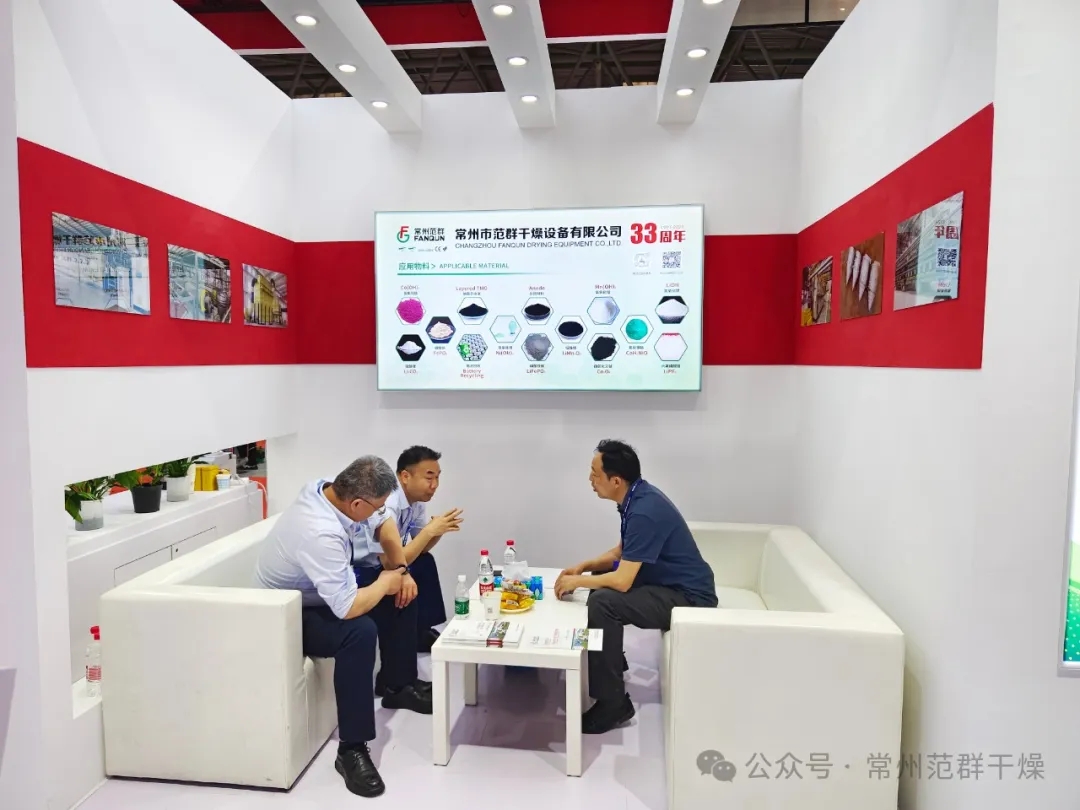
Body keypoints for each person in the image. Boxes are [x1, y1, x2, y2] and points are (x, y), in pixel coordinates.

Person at [254, 456, 432, 798]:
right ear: (357, 504)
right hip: (284, 614)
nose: (380, 512)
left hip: (317, 595)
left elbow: (384, 523)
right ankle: (352, 749)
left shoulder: (334, 488)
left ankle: (397, 685)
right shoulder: (319, 532)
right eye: (376, 506)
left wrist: (400, 571)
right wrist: (386, 581)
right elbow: (347, 607)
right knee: (359, 632)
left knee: (404, 587)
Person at [554, 439, 718, 735]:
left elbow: (622, 580)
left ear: (615, 480)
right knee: (598, 581)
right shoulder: (635, 498)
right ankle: (612, 665)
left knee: (603, 602)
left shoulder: (644, 511)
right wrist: (584, 566)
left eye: (595, 474)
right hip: (669, 583)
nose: (590, 479)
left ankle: (613, 704)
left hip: (690, 598)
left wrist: (577, 580)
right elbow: (620, 554)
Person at [360, 446, 463, 695]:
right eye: (429, 477)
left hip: (383, 565)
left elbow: (420, 548)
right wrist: (429, 531)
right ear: (405, 476)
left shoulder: (415, 503)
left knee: (424, 563)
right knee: (400, 584)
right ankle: (396, 684)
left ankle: (419, 634)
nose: (434, 485)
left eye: (437, 477)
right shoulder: (388, 503)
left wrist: (436, 531)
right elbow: (391, 563)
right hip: (362, 570)